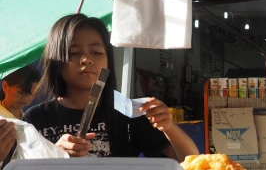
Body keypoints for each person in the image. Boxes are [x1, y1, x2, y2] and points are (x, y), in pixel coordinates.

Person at [23, 14, 198, 160]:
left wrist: (168, 127)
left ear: (108, 62)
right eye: (74, 53)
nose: (86, 59)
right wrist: (54, 155)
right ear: (55, 62)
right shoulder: (36, 119)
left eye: (96, 52)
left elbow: (190, 159)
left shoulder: (127, 112)